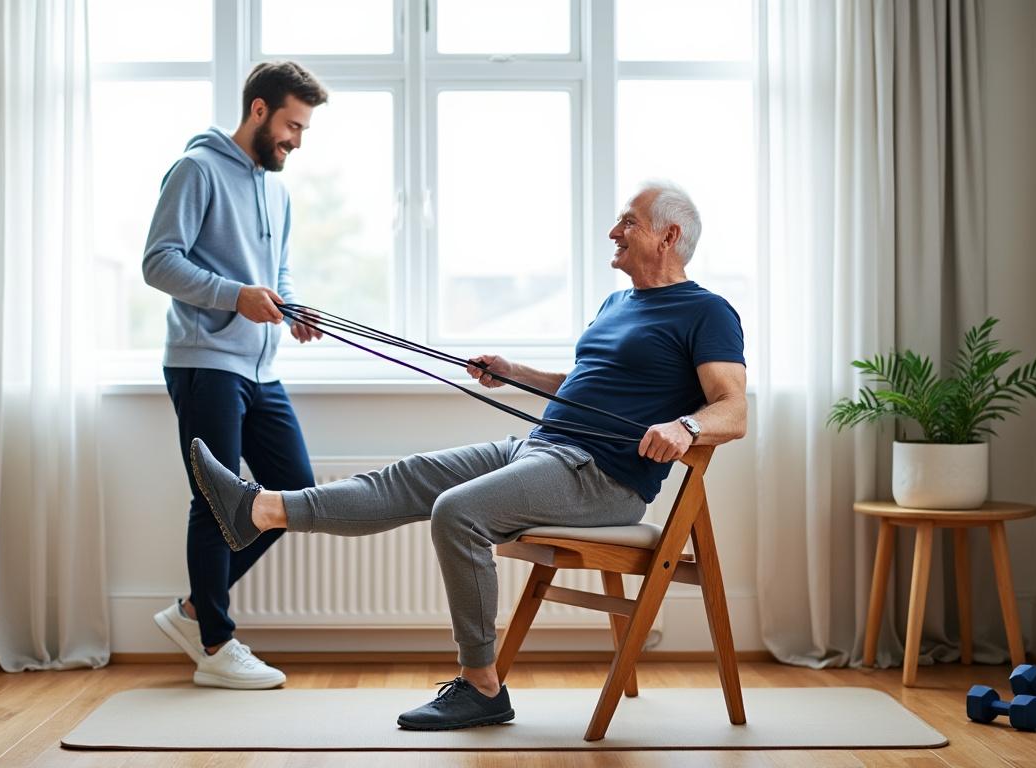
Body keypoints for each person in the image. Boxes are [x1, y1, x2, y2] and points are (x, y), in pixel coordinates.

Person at [191, 181, 747, 728]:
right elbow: (583, 383)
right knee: (411, 476)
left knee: (457, 511)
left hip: (601, 478)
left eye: (629, 222)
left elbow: (734, 410)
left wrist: (685, 426)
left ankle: (482, 685)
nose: (614, 232)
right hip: (540, 448)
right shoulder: (617, 303)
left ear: (669, 235)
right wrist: (515, 373)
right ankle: (260, 511)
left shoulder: (706, 312)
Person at [142, 61, 328, 690]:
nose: (296, 140)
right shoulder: (196, 169)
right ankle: (216, 642)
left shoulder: (277, 189)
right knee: (215, 500)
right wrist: (234, 296)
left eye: (302, 129)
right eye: (291, 125)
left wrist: (291, 307)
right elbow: (158, 262)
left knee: (294, 493)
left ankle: (195, 609)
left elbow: (275, 275)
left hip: (260, 368)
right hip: (203, 362)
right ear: (258, 110)